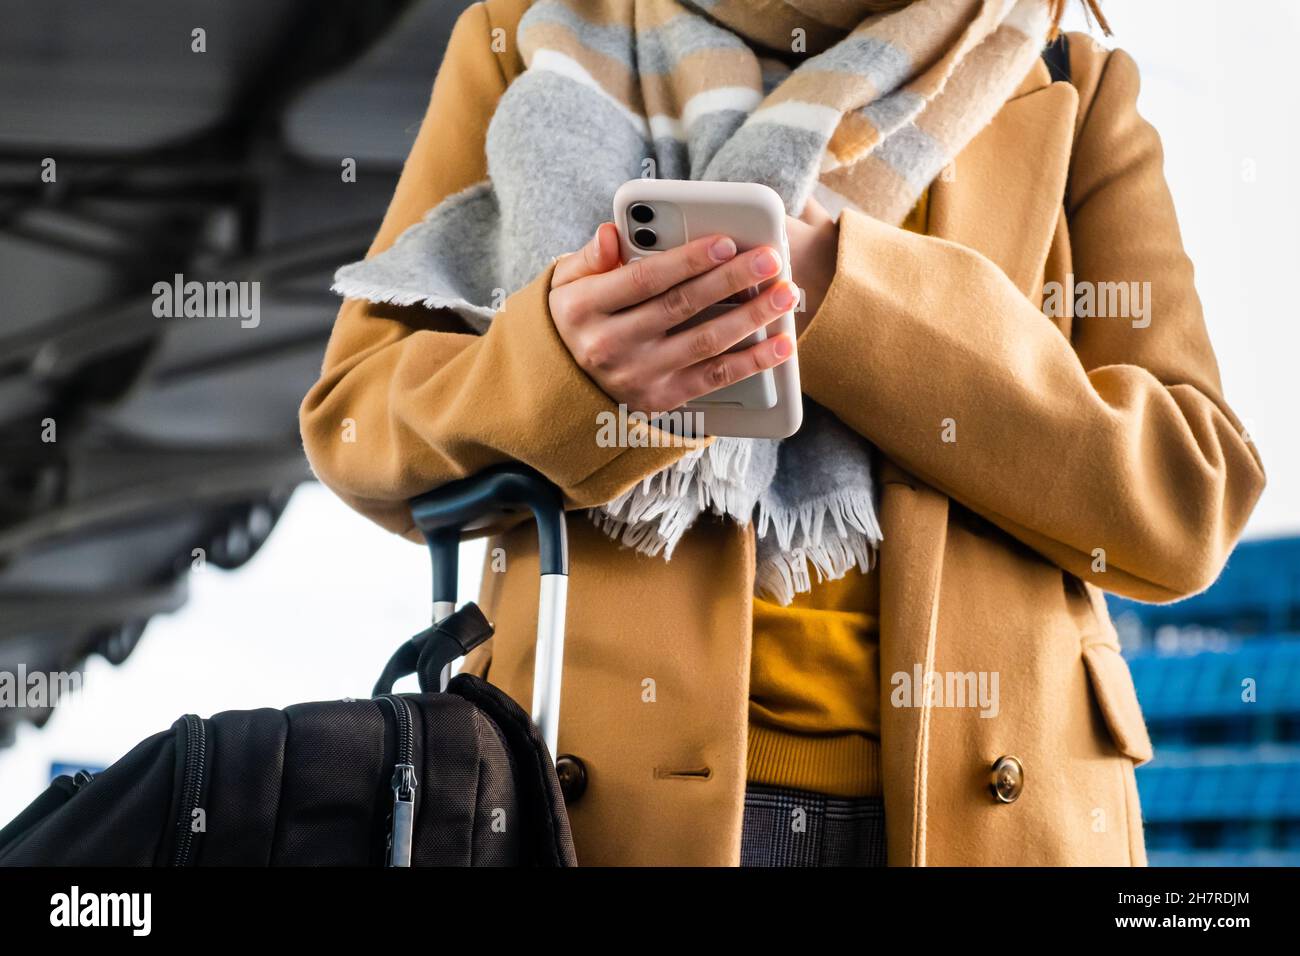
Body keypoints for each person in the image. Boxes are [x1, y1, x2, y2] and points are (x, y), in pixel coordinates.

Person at [300, 0, 1265, 866]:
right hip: (590, 811)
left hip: (1000, 816)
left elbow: (1188, 496)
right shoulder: (524, 35)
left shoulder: (1062, 77)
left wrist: (843, 292)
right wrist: (557, 369)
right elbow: (356, 420)